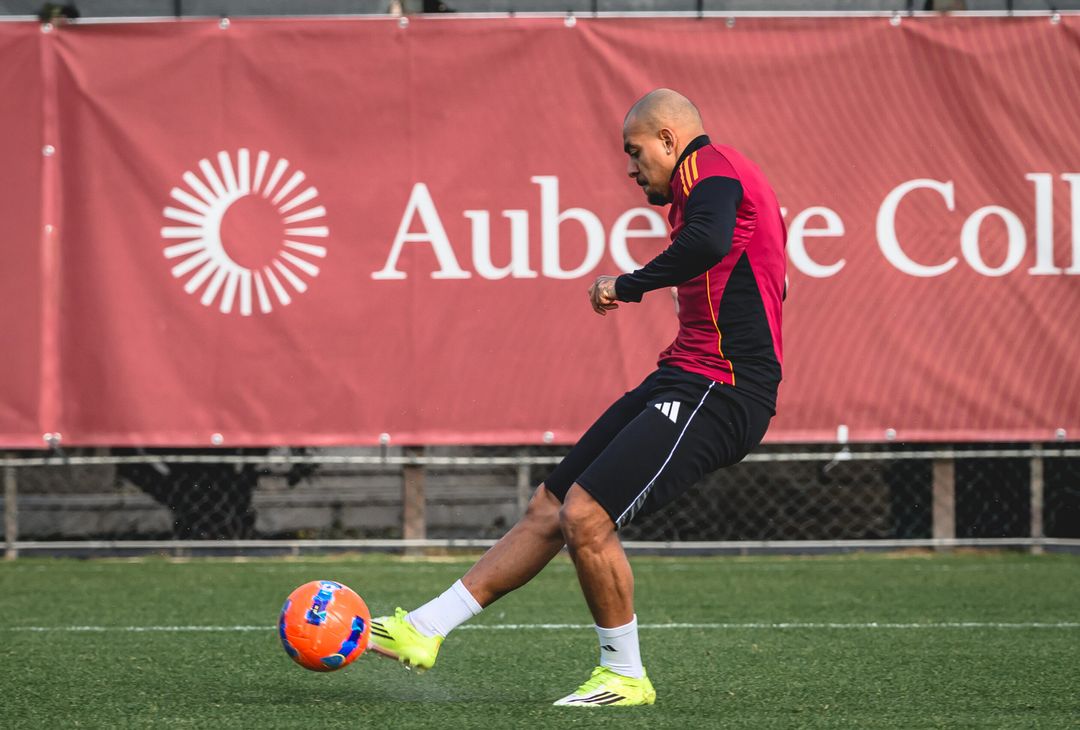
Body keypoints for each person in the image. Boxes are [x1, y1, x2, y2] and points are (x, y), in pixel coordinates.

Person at [369, 88, 787, 707]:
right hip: (684, 375)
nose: (629, 166)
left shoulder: (710, 164)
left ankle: (623, 675)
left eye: (635, 149)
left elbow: (709, 240)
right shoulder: (698, 185)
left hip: (723, 387)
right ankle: (424, 628)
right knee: (551, 505)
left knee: (586, 516)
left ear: (671, 140)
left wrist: (628, 283)